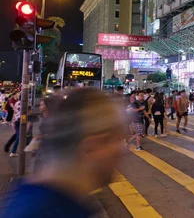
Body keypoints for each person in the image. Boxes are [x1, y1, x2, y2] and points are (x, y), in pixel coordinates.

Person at [0, 89, 123, 217]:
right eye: (116, 139)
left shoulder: (66, 203)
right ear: (92, 145)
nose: (122, 150)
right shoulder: (43, 211)